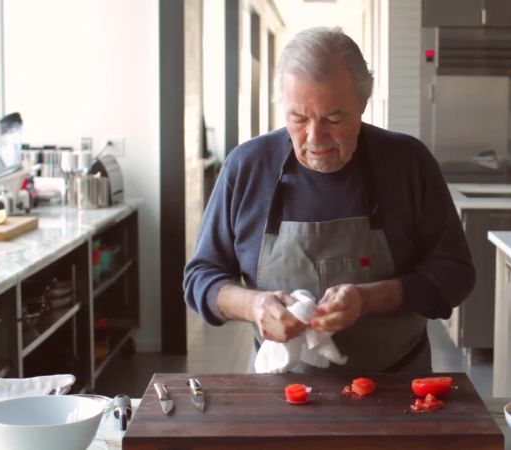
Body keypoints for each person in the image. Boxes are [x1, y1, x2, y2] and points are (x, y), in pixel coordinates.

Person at [184, 27, 474, 374]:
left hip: (396, 389)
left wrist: (369, 299)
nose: (314, 137)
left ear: (363, 105)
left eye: (334, 119)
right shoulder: (247, 167)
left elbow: (455, 274)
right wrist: (254, 305)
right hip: (279, 390)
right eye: (298, 118)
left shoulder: (408, 163)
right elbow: (201, 278)